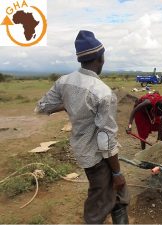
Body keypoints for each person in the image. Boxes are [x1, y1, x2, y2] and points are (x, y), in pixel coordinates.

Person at [34, 30, 129, 224]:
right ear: (100, 59)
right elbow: (106, 140)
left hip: (81, 150)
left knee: (119, 195)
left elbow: (42, 108)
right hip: (97, 158)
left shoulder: (64, 81)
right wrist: (117, 172)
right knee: (97, 208)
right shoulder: (103, 93)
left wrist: (68, 105)